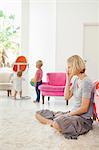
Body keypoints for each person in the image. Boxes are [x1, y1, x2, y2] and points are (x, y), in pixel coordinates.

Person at [35, 55, 94, 139]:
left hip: (83, 119)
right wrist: (68, 79)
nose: (67, 70)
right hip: (73, 113)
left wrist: (68, 115)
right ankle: (53, 122)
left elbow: (84, 108)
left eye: (69, 67)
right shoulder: (76, 80)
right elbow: (66, 97)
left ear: (75, 66)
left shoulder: (86, 82)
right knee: (38, 114)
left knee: (57, 122)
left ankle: (54, 123)